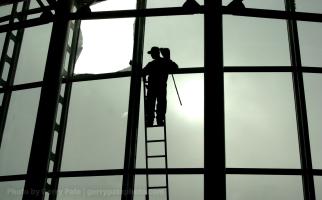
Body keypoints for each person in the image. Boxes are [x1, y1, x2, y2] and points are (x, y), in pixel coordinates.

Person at [143, 47, 178, 126]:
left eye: (152, 54)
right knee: (160, 103)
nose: (151, 55)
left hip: (153, 87)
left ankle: (150, 120)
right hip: (160, 86)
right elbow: (175, 67)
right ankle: (159, 119)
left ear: (155, 54)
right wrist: (168, 60)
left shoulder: (152, 64)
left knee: (151, 104)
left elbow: (143, 72)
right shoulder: (164, 61)